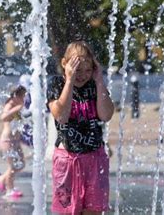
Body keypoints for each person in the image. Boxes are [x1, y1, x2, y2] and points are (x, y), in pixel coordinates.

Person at [47, 41, 114, 215]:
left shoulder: (95, 86)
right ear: (65, 64)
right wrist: (69, 81)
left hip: (94, 158)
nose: (82, 75)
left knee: (94, 210)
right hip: (67, 160)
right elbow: (61, 116)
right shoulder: (56, 84)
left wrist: (99, 80)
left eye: (87, 70)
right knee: (68, 211)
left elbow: (106, 115)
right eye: (77, 69)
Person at [0, 85, 28, 198]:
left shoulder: (17, 106)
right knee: (13, 166)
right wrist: (17, 108)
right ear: (15, 96)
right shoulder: (9, 105)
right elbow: (3, 117)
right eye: (22, 96)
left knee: (21, 164)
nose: (24, 99)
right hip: (7, 141)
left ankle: (2, 178)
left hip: (15, 141)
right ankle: (9, 189)